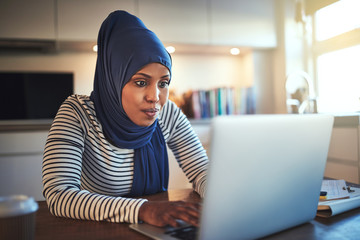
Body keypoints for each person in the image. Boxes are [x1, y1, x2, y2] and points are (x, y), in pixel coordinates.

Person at [42, 10, 208, 228]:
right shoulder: (77, 113)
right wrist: (142, 209)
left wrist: (225, 198)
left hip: (155, 229)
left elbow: (201, 171)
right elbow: (60, 195)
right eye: (141, 82)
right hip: (98, 230)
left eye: (163, 83)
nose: (155, 97)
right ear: (113, 78)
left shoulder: (167, 113)